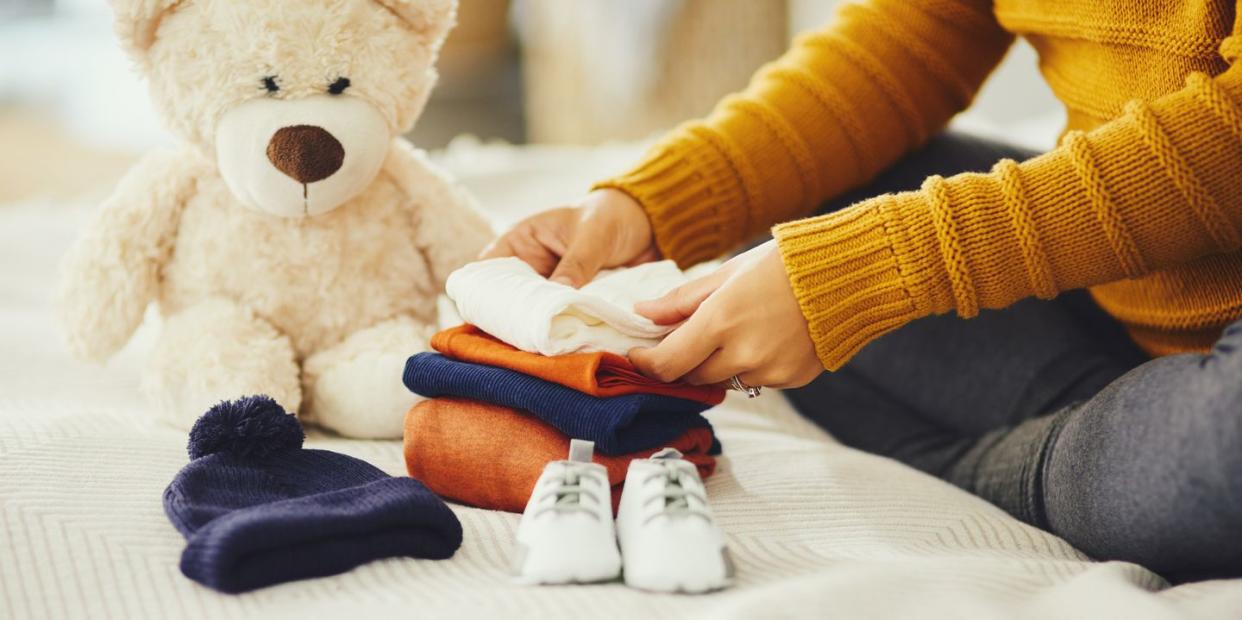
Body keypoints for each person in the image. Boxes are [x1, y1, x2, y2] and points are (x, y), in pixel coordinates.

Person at [482, 1, 1242, 581]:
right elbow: (912, 35)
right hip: (1127, 302)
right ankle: (1125, 444)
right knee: (795, 213)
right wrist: (649, 207)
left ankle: (1039, 468)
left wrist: (872, 270)